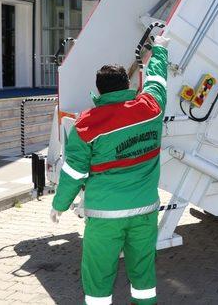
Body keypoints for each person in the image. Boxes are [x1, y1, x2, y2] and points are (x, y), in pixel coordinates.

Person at [50, 35, 169, 305]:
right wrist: (160, 49)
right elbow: (157, 81)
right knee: (143, 275)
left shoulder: (86, 125)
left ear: (99, 91)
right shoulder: (150, 108)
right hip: (145, 211)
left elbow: (74, 173)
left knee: (98, 276)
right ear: (127, 85)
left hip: (105, 216)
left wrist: (59, 204)